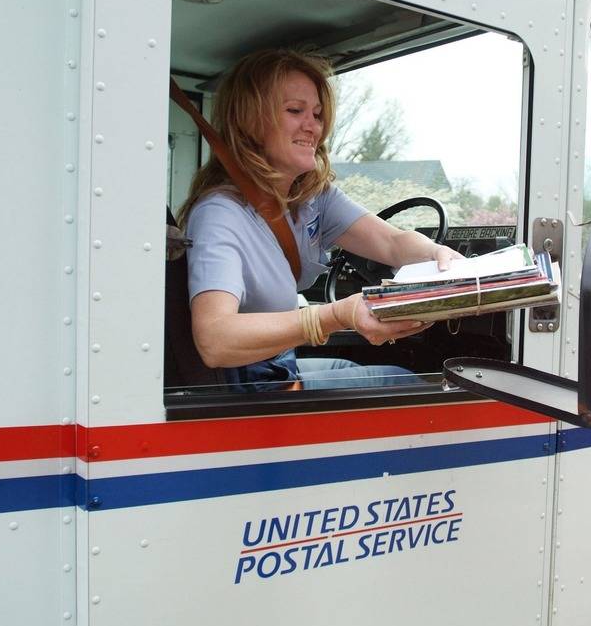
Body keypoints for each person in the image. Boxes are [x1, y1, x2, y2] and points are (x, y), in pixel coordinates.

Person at [180, 49, 461, 391]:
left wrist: (437, 256)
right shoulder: (220, 213)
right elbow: (214, 341)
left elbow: (391, 242)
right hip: (245, 381)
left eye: (316, 113)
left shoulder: (310, 198)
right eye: (295, 111)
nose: (313, 126)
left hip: (278, 360)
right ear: (249, 121)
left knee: (348, 365)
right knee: (401, 380)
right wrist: (336, 315)